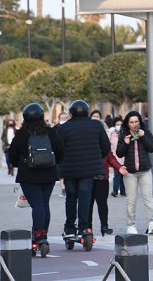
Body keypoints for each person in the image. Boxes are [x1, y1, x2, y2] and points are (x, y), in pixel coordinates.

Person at [8, 103, 64, 255]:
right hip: (48, 174)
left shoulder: (21, 134)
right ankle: (43, 234)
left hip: (29, 175)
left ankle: (38, 236)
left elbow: (12, 155)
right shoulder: (50, 132)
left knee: (37, 204)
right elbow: (60, 151)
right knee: (44, 203)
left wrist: (17, 163)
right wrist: (54, 163)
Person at [57, 100, 111, 241]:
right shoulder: (96, 125)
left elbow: (58, 149)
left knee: (71, 197)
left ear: (71, 112)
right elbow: (106, 146)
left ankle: (69, 227)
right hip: (89, 169)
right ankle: (83, 227)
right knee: (85, 198)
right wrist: (95, 157)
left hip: (69, 168)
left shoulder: (64, 128)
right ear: (87, 111)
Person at [116, 111, 153, 234]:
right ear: (127, 123)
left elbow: (152, 148)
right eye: (131, 122)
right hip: (130, 172)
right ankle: (131, 225)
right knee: (131, 200)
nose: (134, 124)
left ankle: (151, 223)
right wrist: (125, 143)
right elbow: (119, 153)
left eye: (136, 121)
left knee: (148, 198)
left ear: (139, 122)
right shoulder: (124, 134)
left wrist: (143, 137)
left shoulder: (145, 132)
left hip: (145, 170)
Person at [88, 112, 121, 237]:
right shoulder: (87, 145)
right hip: (88, 178)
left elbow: (110, 158)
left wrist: (119, 167)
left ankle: (104, 226)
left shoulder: (104, 145)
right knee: (88, 204)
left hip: (102, 177)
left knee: (102, 203)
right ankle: (88, 227)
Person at [53, 110, 70, 198]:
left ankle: (69, 188)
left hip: (70, 153)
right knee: (61, 172)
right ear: (59, 119)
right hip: (60, 153)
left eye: (65, 118)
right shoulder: (55, 129)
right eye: (62, 118)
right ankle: (63, 189)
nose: (64, 120)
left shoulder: (71, 127)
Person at [109, 116, 126, 197]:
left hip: (124, 157)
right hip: (115, 158)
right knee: (117, 175)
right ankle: (115, 191)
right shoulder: (111, 134)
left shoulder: (125, 134)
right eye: (117, 124)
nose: (119, 126)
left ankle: (123, 191)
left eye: (120, 124)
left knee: (123, 175)